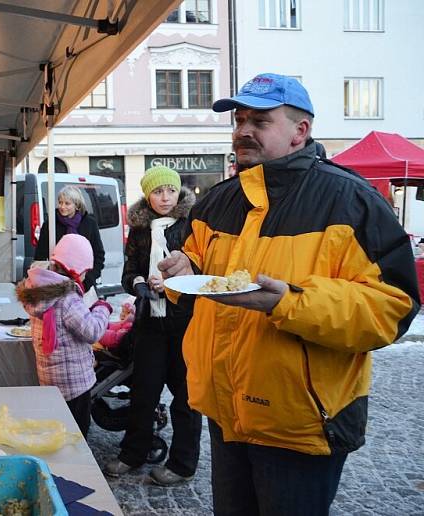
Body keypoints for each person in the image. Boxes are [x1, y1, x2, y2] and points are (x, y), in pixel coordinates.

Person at [158, 73, 420, 515]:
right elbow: (195, 271)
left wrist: (289, 303)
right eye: (239, 120)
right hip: (225, 413)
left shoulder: (350, 201)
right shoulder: (219, 200)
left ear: (301, 131)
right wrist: (185, 269)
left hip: (301, 423)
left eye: (260, 121)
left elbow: (392, 308)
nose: (243, 130)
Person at [103, 166, 202, 486]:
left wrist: (174, 282)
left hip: (184, 321)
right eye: (158, 192)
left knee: (186, 397)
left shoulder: (192, 226)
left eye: (170, 191)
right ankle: (133, 453)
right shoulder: (140, 228)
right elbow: (128, 272)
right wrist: (140, 284)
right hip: (149, 322)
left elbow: (203, 269)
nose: (165, 197)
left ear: (178, 192)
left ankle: (183, 462)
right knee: (143, 392)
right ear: (147, 195)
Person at [17, 234, 113, 436]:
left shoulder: (39, 289)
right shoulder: (67, 297)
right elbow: (92, 331)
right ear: (76, 269)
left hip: (50, 377)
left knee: (57, 428)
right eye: (86, 271)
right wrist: (102, 308)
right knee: (76, 433)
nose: (86, 276)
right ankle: (76, 465)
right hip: (74, 382)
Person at [34, 185, 105, 293]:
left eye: (67, 203)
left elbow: (98, 255)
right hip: (57, 284)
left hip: (85, 283)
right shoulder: (50, 224)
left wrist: (89, 279)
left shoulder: (89, 224)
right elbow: (40, 255)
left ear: (77, 205)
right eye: (60, 202)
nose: (62, 207)